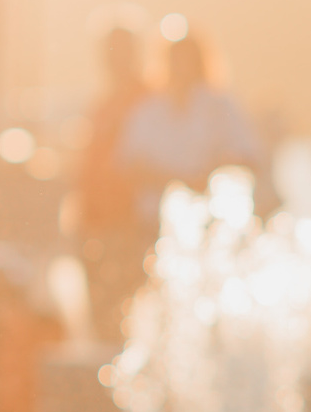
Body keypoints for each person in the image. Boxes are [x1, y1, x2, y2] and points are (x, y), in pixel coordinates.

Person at [114, 25, 266, 231]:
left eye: (188, 59)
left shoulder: (221, 106)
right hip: (154, 222)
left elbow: (249, 156)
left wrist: (211, 174)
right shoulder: (148, 111)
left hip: (214, 222)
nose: (182, 67)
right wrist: (178, 181)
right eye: (176, 59)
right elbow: (129, 165)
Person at [68, 17, 152, 343]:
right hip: (95, 218)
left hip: (130, 220)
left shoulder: (146, 100)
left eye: (119, 50)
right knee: (101, 314)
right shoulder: (102, 101)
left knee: (125, 310)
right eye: (108, 51)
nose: (111, 59)